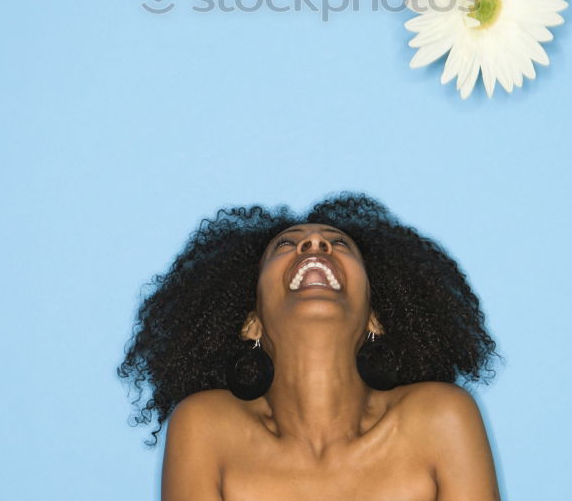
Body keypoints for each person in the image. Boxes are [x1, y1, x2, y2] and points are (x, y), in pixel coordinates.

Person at [118, 194, 500, 500]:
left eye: (338, 243)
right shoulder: (203, 425)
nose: (314, 243)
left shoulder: (441, 417)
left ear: (375, 320)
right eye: (285, 244)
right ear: (251, 323)